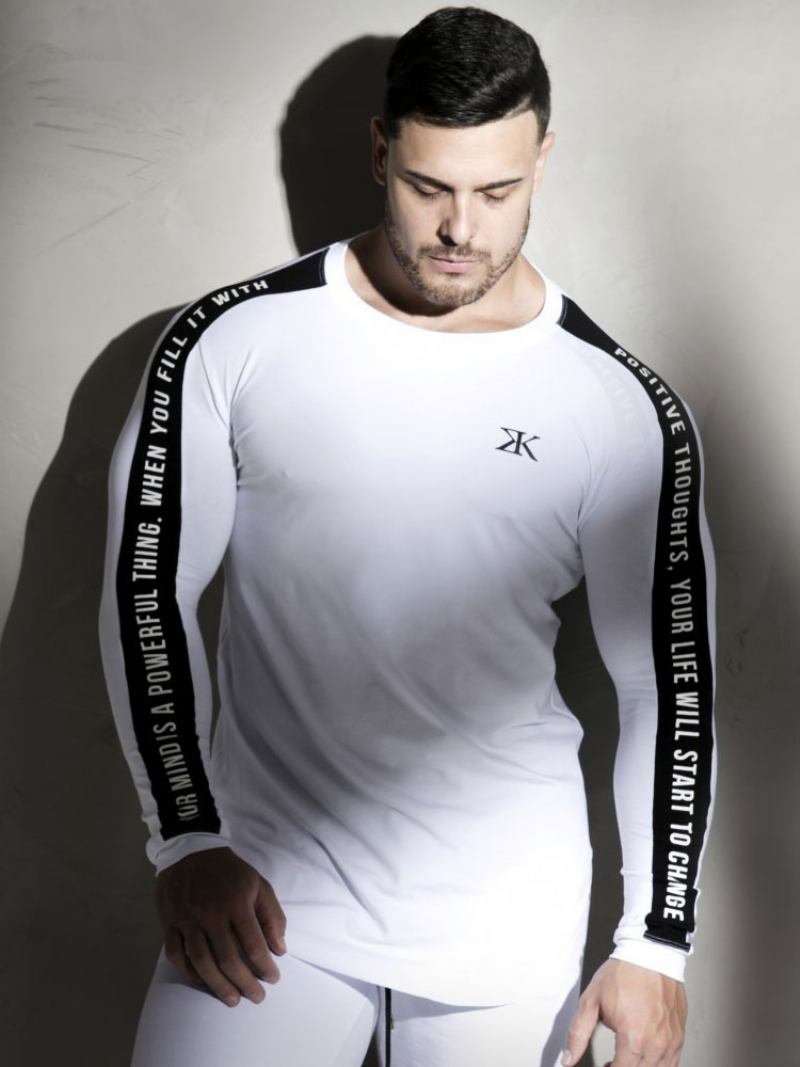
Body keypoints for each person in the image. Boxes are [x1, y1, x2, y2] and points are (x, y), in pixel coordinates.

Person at [98, 7, 717, 1066]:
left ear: (542, 160)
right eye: (430, 187)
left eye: (496, 191)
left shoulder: (618, 402)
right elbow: (147, 590)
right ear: (382, 150)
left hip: (505, 914)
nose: (460, 229)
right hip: (268, 897)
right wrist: (186, 836)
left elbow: (665, 680)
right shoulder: (232, 339)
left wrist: (656, 939)